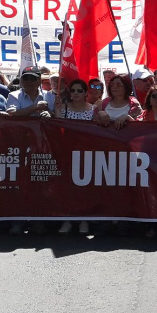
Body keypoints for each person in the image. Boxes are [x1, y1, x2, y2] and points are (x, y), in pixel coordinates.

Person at [54, 78, 96, 235]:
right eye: (73, 90)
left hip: (87, 153)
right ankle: (67, 219)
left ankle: (84, 219)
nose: (76, 93)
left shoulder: (93, 109)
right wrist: (57, 109)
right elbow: (57, 127)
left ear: (85, 93)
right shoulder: (63, 107)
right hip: (67, 152)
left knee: (84, 188)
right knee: (67, 187)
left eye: (79, 90)